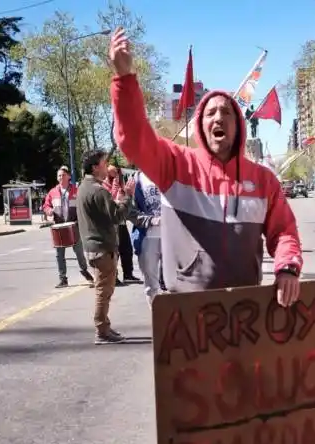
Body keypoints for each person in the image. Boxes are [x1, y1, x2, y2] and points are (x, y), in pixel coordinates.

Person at [108, 28, 303, 306]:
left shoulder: (263, 180)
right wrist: (124, 78)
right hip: (188, 316)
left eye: (226, 112)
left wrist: (287, 268)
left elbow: (284, 230)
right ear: (200, 125)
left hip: (246, 311)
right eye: (211, 112)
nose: (218, 118)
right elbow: (134, 137)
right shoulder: (175, 165)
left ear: (238, 125)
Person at [76, 148, 135, 345]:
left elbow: (102, 213)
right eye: (103, 162)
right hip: (102, 248)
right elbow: (118, 216)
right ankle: (102, 330)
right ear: (95, 167)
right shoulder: (98, 190)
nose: (106, 165)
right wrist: (127, 196)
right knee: (104, 290)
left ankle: (105, 327)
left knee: (104, 289)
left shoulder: (84, 187)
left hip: (93, 246)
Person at [42, 166, 95, 289]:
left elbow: (83, 204)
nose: (61, 177)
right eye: (59, 176)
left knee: (79, 252)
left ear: (69, 177)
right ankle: (63, 279)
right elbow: (46, 205)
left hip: (74, 225)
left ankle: (84, 271)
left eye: (63, 175)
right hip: (58, 226)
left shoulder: (76, 190)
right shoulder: (52, 192)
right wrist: (49, 211)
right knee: (59, 254)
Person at [131, 171, 164, 307]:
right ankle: (158, 319)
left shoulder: (168, 173)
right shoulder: (136, 179)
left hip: (171, 236)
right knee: (151, 285)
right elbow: (131, 213)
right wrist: (151, 220)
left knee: (175, 282)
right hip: (147, 238)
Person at [104, 164, 140, 286]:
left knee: (127, 249)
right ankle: (114, 277)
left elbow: (125, 199)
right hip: (112, 223)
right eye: (112, 173)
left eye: (116, 172)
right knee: (115, 252)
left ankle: (128, 274)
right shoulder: (105, 185)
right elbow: (112, 199)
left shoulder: (120, 183)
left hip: (121, 221)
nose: (115, 175)